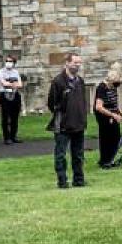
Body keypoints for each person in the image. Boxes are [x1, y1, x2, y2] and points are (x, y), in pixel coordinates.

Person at [46, 52, 88, 189]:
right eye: (75, 62)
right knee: (61, 154)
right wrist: (62, 113)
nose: (77, 65)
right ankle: (62, 181)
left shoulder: (80, 81)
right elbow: (52, 102)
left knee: (78, 154)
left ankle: (79, 179)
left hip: (78, 123)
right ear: (67, 63)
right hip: (63, 124)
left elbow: (82, 101)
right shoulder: (58, 81)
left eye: (79, 63)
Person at [93, 69, 122, 168]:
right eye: (118, 80)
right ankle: (105, 161)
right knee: (106, 138)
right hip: (104, 116)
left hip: (113, 113)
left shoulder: (113, 87)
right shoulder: (102, 88)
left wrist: (120, 112)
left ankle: (110, 159)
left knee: (116, 137)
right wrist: (113, 115)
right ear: (112, 80)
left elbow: (113, 102)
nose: (119, 83)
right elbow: (98, 107)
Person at [0, 53, 23, 144]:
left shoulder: (16, 72)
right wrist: (12, 84)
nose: (8, 63)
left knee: (15, 117)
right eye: (7, 61)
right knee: (6, 116)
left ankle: (13, 136)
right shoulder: (1, 72)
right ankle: (6, 137)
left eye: (10, 61)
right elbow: (4, 83)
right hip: (5, 95)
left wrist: (11, 84)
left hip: (15, 95)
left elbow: (20, 84)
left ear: (14, 63)